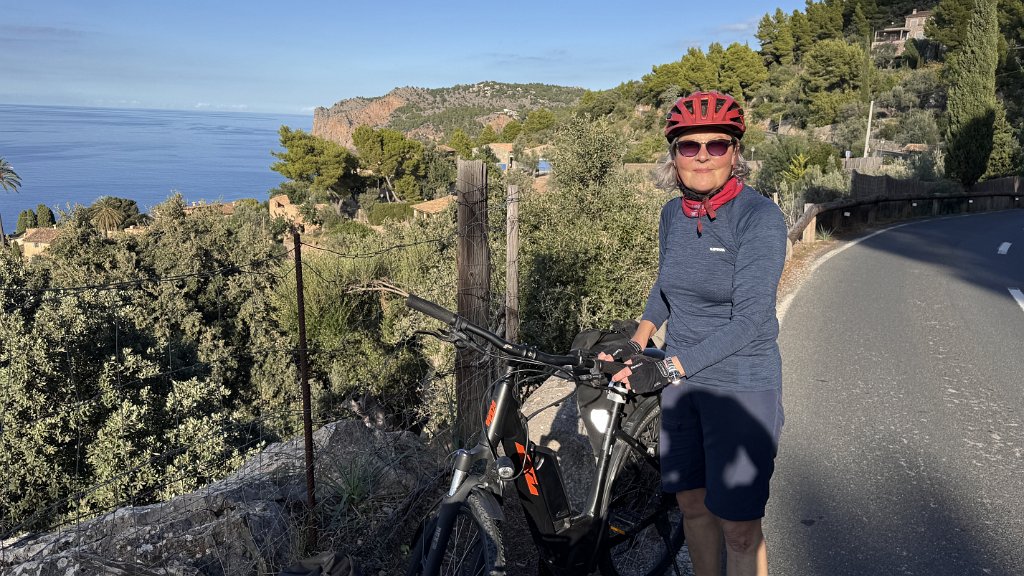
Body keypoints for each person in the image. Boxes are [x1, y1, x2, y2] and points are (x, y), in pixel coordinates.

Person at [601, 91, 787, 576]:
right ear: (674, 155)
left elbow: (750, 321)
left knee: (739, 528)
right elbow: (665, 287)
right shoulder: (671, 215)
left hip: (740, 387)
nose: (703, 156)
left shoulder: (759, 218)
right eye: (690, 146)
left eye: (716, 145)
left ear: (735, 153)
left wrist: (667, 368)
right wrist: (638, 341)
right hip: (683, 387)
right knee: (692, 506)